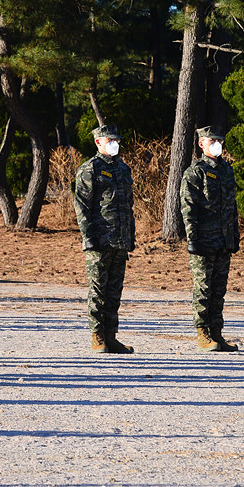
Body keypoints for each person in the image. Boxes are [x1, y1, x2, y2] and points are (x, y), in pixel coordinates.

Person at [74, 124, 136, 354]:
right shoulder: (90, 169)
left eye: (116, 139)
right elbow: (82, 206)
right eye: (110, 139)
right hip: (99, 241)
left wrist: (131, 235)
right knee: (98, 290)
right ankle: (97, 336)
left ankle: (111, 337)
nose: (114, 143)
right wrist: (88, 237)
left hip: (119, 240)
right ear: (98, 142)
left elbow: (128, 205)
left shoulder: (123, 169)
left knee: (114, 291)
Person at [180, 126, 240, 352]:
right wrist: (192, 238)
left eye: (219, 140)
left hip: (223, 240)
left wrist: (234, 234)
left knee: (219, 290)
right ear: (201, 144)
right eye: (211, 140)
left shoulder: (226, 170)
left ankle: (217, 333)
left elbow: (231, 207)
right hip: (204, 240)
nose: (216, 143)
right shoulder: (196, 172)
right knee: (203, 289)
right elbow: (188, 207)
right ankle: (203, 333)